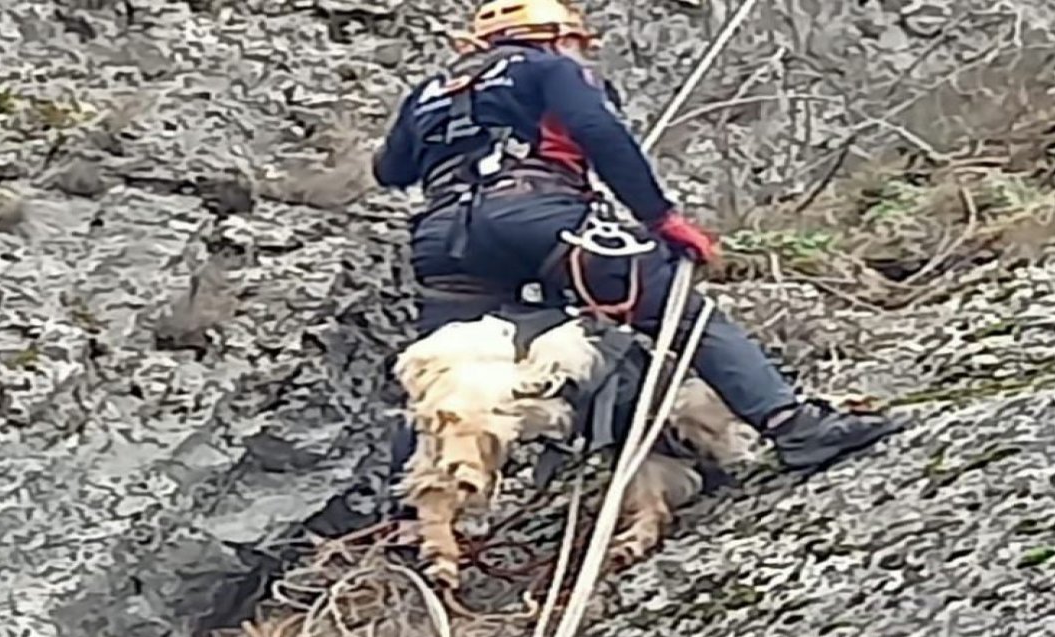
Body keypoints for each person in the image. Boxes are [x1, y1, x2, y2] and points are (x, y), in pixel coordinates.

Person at [372, 0, 907, 474]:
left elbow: (390, 170)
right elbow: (600, 131)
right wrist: (661, 219)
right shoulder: (550, 68)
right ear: (560, 38)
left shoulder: (430, 93)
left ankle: (411, 509)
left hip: (444, 240)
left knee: (444, 377)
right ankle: (795, 427)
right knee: (678, 308)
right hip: (536, 212)